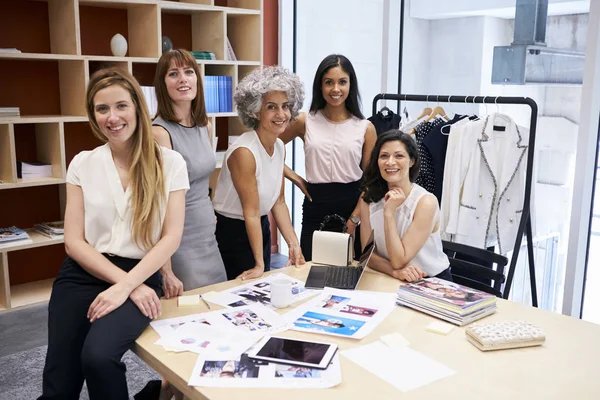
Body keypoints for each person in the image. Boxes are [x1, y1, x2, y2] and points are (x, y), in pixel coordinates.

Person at [38, 68, 189, 400]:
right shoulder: (82, 163)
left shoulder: (171, 163)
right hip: (83, 273)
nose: (112, 117)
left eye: (121, 106)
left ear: (137, 106)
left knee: (98, 357)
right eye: (102, 109)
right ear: (93, 115)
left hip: (141, 273)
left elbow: (171, 237)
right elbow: (74, 241)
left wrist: (128, 286)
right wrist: (124, 286)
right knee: (60, 382)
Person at [280, 54, 377, 261]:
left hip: (352, 206)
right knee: (309, 270)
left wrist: (354, 219)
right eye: (329, 82)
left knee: (350, 271)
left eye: (342, 82)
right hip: (316, 204)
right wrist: (294, 177)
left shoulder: (365, 128)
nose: (335, 89)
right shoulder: (305, 121)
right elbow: (268, 147)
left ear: (351, 84)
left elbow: (371, 181)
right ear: (320, 85)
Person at [213, 66, 305, 280]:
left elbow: (279, 202)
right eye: (271, 107)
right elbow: (250, 212)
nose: (281, 114)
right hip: (233, 233)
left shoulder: (280, 146)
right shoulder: (244, 152)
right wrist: (259, 264)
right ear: (255, 111)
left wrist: (294, 245)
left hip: (259, 226)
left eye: (285, 106)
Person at [152, 49, 227, 295]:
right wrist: (166, 270)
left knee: (218, 305)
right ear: (163, 85)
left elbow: (204, 179)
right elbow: (159, 203)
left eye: (188, 72)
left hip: (209, 236)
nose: (183, 79)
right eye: (173, 74)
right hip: (180, 242)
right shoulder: (160, 133)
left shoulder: (205, 125)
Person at [359, 130, 452, 283]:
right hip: (391, 277)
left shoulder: (426, 202)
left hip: (431, 281)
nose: (390, 162)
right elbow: (368, 255)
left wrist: (389, 213)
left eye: (399, 156)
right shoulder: (368, 198)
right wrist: (395, 272)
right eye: (384, 156)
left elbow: (398, 260)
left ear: (412, 161)